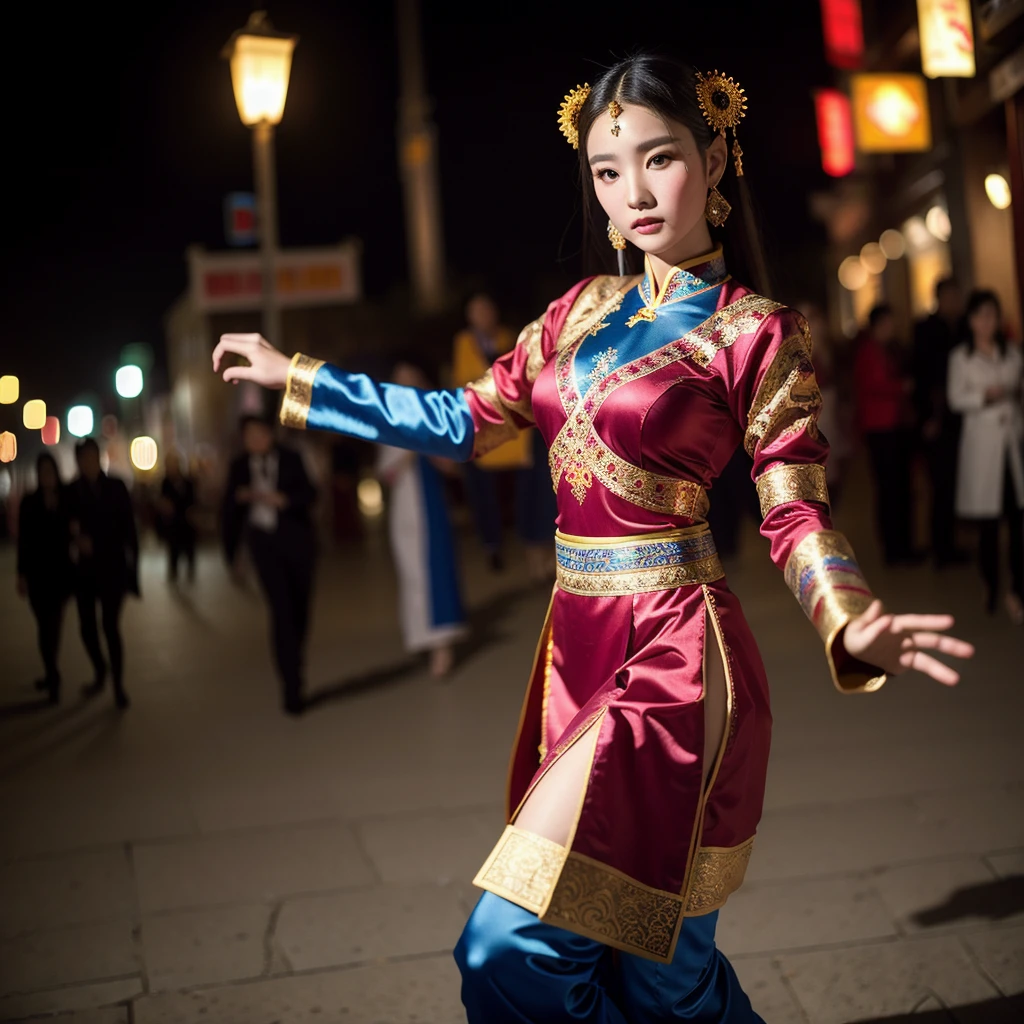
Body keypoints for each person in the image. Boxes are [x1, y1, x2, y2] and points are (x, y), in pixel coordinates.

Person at [213, 53, 973, 1024]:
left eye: (659, 159)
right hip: (575, 655)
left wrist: (848, 615)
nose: (633, 191)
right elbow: (459, 419)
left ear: (713, 157)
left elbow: (792, 502)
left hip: (677, 664)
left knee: (535, 950)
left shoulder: (753, 332)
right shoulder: (573, 314)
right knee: (645, 972)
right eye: (608, 171)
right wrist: (302, 378)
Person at [452, 293, 554, 578]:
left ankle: (532, 549)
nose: (483, 315)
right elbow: (464, 382)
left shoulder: (510, 337)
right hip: (484, 428)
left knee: (528, 495)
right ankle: (492, 545)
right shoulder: (464, 343)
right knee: (486, 496)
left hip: (516, 432)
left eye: (487, 309)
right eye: (477, 311)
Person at [378, 359, 469, 677]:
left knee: (436, 569)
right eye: (398, 380)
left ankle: (442, 645)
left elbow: (453, 466)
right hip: (403, 508)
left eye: (410, 380)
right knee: (412, 574)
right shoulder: (387, 421)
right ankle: (423, 638)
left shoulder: (436, 418)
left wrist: (425, 443)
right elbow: (386, 474)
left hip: (433, 507)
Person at [223, 415, 317, 715]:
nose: (256, 441)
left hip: (298, 544)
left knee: (299, 612)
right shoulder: (239, 467)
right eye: (250, 436)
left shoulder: (292, 459)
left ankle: (295, 658)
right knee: (281, 612)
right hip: (264, 547)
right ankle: (291, 686)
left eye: (260, 434)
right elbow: (227, 512)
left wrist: (285, 500)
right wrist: (232, 556)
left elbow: (312, 494)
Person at [947, 290, 1024, 624]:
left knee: (1017, 520)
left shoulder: (1013, 354)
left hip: (1011, 447)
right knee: (989, 526)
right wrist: (984, 396)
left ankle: (1018, 589)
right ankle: (991, 585)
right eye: (980, 316)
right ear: (971, 321)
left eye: (992, 315)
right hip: (982, 449)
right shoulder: (960, 358)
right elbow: (955, 399)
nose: (987, 322)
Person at [69, 438, 138, 710]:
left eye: (91, 456)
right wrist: (76, 539)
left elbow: (127, 528)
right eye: (83, 458)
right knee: (87, 628)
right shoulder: (72, 491)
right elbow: (65, 524)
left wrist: (133, 568)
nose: (87, 462)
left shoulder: (116, 487)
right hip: (84, 571)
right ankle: (100, 670)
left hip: (112, 567)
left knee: (110, 627)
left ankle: (118, 685)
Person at [854, 303, 921, 565]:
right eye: (887, 323)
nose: (891, 328)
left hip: (894, 425)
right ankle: (894, 549)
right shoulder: (870, 351)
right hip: (881, 428)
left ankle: (903, 545)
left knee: (901, 487)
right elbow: (873, 385)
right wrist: (901, 386)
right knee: (890, 488)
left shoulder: (888, 349)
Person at [914, 277, 969, 567]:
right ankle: (941, 548)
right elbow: (925, 378)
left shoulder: (963, 328)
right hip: (936, 420)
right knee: (940, 484)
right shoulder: (926, 330)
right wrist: (929, 417)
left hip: (961, 419)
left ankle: (952, 544)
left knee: (957, 484)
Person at [16, 453, 73, 701]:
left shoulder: (66, 499)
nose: (47, 476)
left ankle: (52, 676)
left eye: (51, 470)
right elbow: (24, 541)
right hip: (37, 574)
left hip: (60, 573)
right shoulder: (29, 502)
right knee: (43, 627)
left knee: (54, 627)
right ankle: (52, 673)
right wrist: (21, 573)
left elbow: (73, 531)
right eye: (43, 471)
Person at [159, 449, 197, 583]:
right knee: (173, 548)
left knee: (189, 548)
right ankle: (173, 572)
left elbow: (193, 500)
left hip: (187, 521)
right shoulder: (166, 482)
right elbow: (163, 500)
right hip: (173, 522)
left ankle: (190, 572)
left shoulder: (188, 482)